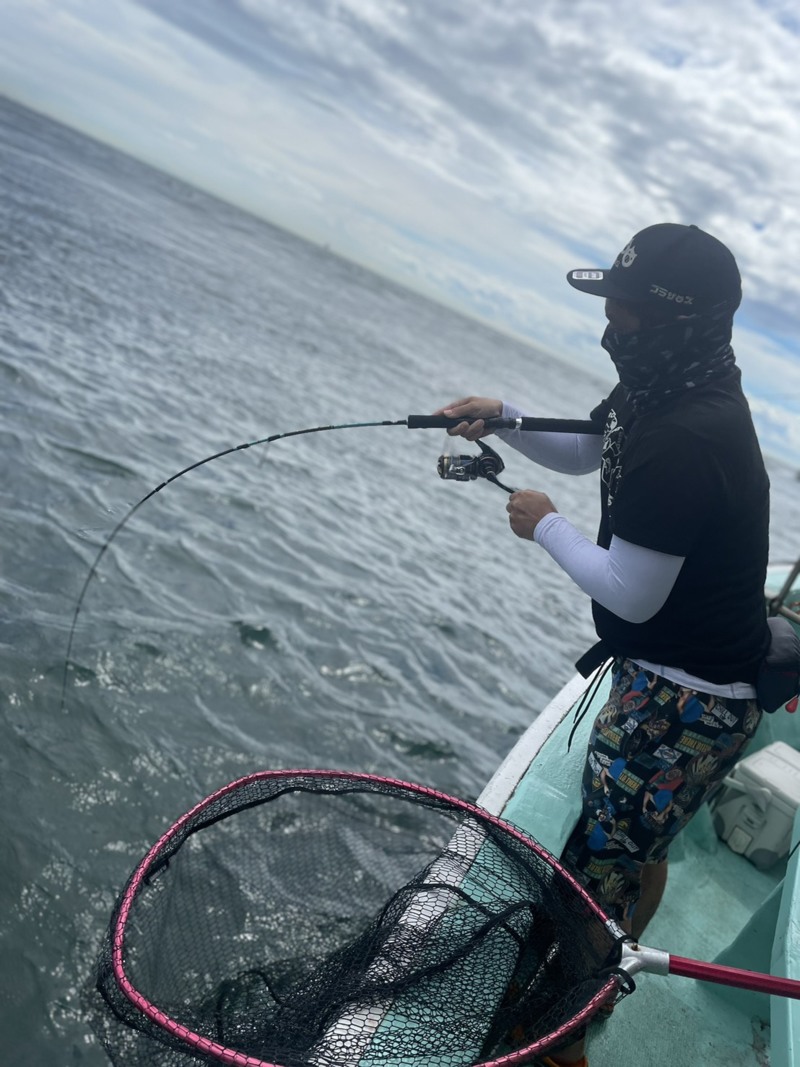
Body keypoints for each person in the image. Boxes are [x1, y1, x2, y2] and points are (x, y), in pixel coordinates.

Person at [437, 223, 771, 1067]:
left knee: (591, 883)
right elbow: (593, 448)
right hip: (686, 683)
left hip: (681, 705)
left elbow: (632, 588)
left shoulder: (690, 434)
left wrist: (543, 524)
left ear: (676, 320)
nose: (610, 323)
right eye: (611, 305)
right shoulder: (669, 386)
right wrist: (506, 419)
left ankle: (556, 1044)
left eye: (626, 311)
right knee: (632, 856)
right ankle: (572, 1025)